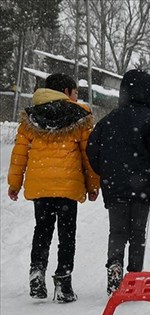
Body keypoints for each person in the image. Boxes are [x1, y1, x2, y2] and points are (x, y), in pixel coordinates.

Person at [7, 73, 100, 303]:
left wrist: (14, 183)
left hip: (41, 186)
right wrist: (93, 184)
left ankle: (37, 271)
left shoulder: (31, 117)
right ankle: (63, 283)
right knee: (67, 235)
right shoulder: (79, 115)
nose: (77, 96)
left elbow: (19, 153)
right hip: (68, 186)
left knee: (43, 230)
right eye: (75, 91)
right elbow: (88, 155)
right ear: (66, 92)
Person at [86, 69, 150, 295]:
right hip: (143, 186)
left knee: (117, 231)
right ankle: (134, 276)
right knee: (137, 233)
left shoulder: (108, 121)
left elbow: (92, 150)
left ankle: (114, 266)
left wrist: (105, 171)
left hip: (114, 186)